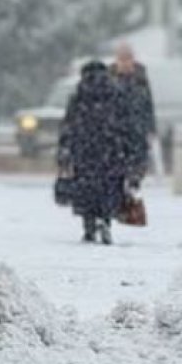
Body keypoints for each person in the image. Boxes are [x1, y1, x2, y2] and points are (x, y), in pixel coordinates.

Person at [58, 60, 131, 244]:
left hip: (84, 150)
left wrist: (64, 149)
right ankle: (106, 221)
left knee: (86, 189)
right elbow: (126, 126)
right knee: (108, 188)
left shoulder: (79, 95)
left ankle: (89, 227)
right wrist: (127, 150)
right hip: (110, 150)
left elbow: (69, 125)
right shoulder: (116, 94)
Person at [110, 41, 156, 189]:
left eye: (128, 58)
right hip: (115, 133)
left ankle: (133, 186)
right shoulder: (109, 79)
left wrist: (150, 128)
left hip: (137, 131)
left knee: (136, 168)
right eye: (121, 58)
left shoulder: (140, 79)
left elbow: (148, 104)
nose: (125, 62)